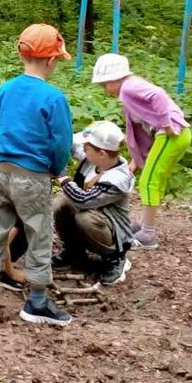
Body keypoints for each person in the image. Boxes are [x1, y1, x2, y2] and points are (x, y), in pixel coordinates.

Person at [0, 23, 73, 327]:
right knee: (39, 235)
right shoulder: (53, 98)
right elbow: (61, 142)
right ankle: (37, 302)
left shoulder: (6, 88)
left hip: (0, 171)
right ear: (51, 60)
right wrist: (56, 169)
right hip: (32, 176)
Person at [91, 53, 191, 250]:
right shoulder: (128, 95)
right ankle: (144, 225)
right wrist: (136, 160)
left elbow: (159, 95)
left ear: (115, 78)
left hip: (172, 134)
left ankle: (148, 235)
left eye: (105, 84)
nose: (104, 90)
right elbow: (137, 133)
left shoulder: (129, 86)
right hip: (171, 135)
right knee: (152, 180)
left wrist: (167, 124)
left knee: (149, 182)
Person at [52, 120, 134, 286]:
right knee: (61, 203)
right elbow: (71, 144)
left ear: (102, 153)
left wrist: (63, 178)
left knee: (86, 218)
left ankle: (115, 258)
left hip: (111, 229)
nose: (83, 149)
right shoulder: (93, 160)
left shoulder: (117, 179)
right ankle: (74, 251)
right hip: (91, 215)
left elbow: (84, 200)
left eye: (87, 147)